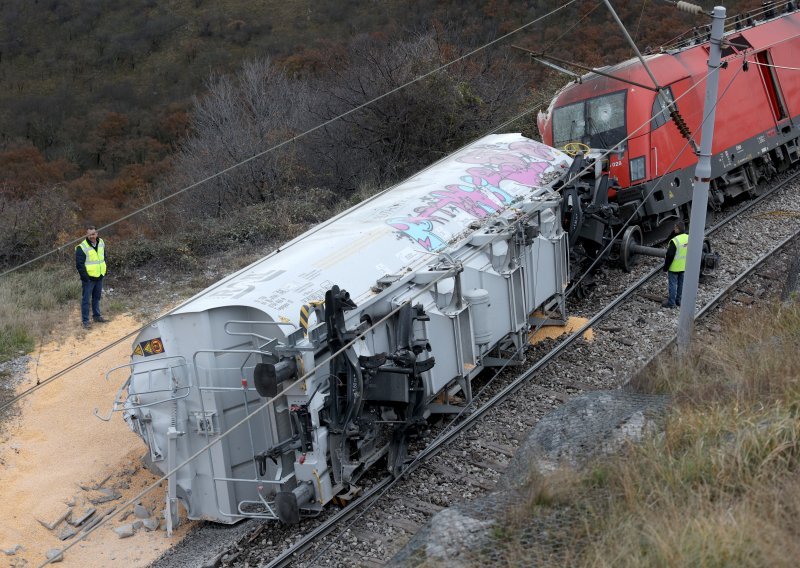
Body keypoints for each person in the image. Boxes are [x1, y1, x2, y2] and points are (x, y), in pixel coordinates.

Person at [75, 225, 108, 329]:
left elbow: (104, 257)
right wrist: (86, 278)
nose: (92, 236)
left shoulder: (101, 242)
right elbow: (79, 265)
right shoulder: (82, 247)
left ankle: (97, 316)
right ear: (87, 235)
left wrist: (104, 269)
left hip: (99, 276)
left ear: (97, 233)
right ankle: (85, 321)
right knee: (86, 300)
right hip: (89, 279)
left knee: (96, 298)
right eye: (89, 234)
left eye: (93, 234)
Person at [662, 221, 688, 308]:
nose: (674, 229)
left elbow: (669, 255)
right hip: (684, 266)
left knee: (672, 285)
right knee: (681, 284)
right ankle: (679, 300)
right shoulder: (688, 238)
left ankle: (671, 303)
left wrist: (665, 267)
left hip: (674, 267)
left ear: (678, 229)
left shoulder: (675, 241)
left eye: (675, 228)